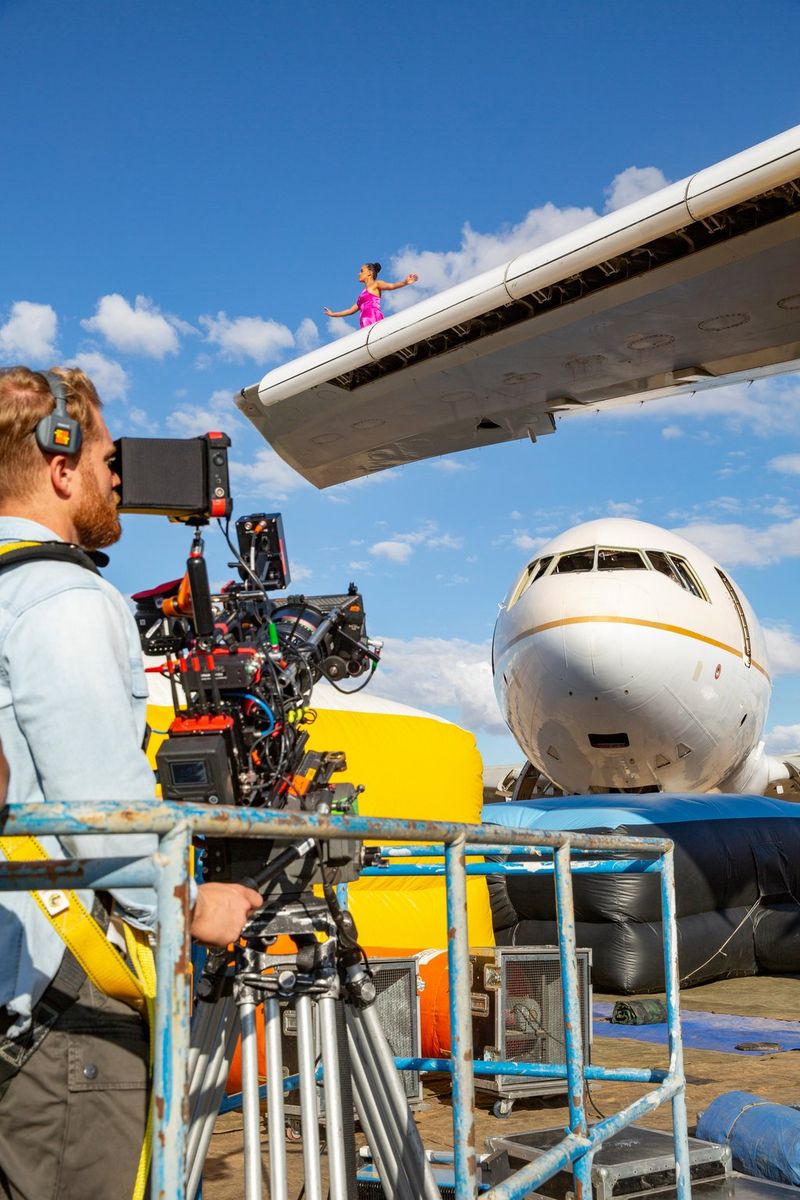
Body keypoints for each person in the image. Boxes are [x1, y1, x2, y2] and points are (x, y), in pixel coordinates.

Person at [0, 366, 263, 1200]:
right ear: (61, 464)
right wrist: (190, 908)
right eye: (109, 457)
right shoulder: (65, 599)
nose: (120, 477)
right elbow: (102, 817)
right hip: (56, 1021)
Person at [324, 261, 419, 328]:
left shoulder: (376, 284)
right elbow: (350, 310)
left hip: (373, 317)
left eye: (362, 271)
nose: (359, 273)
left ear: (369, 273)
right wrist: (333, 314)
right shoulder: (362, 295)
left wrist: (405, 282)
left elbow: (391, 286)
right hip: (364, 321)